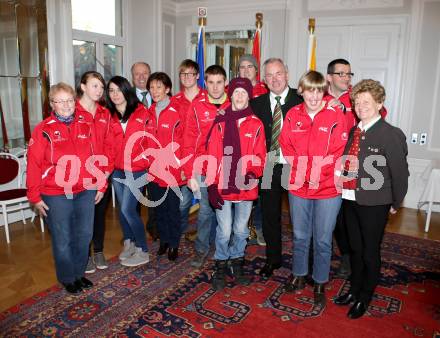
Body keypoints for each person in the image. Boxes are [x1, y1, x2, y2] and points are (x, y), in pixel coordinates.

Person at [334, 79, 408, 319]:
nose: (361, 106)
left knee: (369, 252)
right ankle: (354, 290)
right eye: (357, 102)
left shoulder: (390, 134)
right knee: (355, 249)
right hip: (350, 197)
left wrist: (396, 202)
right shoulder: (356, 131)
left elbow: (400, 173)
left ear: (379, 103)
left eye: (367, 102)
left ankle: (364, 297)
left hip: (375, 202)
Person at [27, 82, 105, 294]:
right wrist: (34, 195)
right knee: (63, 238)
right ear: (52, 104)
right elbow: (33, 164)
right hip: (55, 193)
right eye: (60, 101)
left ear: (75, 101)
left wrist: (101, 182)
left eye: (69, 100)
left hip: (86, 189)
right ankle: (68, 277)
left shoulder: (86, 122)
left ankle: (79, 274)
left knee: (84, 235)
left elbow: (97, 153)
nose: (66, 105)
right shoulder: (43, 130)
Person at [279, 70, 347, 307]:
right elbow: (285, 145)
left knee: (322, 239)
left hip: (328, 188)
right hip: (298, 186)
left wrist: (317, 173)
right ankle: (298, 275)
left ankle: (319, 280)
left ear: (324, 91)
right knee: (299, 235)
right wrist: (301, 169)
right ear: (302, 91)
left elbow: (339, 150)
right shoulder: (292, 115)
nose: (315, 96)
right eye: (310, 90)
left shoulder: (335, 114)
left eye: (319, 90)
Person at [207, 77, 266, 290]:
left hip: (246, 186)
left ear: (248, 96)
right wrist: (212, 185)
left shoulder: (256, 123)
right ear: (230, 95)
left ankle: (237, 261)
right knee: (224, 230)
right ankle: (221, 263)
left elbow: (261, 154)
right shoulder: (220, 122)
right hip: (222, 185)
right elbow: (212, 155)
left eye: (243, 93)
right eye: (236, 93)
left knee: (241, 230)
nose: (240, 96)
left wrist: (254, 172)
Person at [249, 58, 303, 278]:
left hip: (295, 166)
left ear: (287, 74)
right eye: (269, 75)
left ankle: (302, 264)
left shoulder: (302, 101)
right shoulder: (257, 104)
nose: (274, 79)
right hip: (269, 166)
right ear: (264, 80)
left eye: (278, 73)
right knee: (270, 216)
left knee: (299, 218)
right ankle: (273, 259)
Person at [182, 65, 230, 268]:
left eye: (219, 82)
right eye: (211, 82)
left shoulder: (235, 102)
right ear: (205, 82)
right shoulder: (197, 105)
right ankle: (201, 249)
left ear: (225, 82)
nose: (216, 87)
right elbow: (188, 140)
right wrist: (189, 173)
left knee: (227, 213)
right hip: (202, 168)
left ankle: (225, 252)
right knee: (204, 212)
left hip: (228, 169)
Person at [106, 76, 150, 267]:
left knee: (127, 209)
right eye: (111, 91)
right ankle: (128, 242)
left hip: (138, 170)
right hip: (117, 170)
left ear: (126, 90)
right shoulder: (109, 116)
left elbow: (151, 139)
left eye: (118, 89)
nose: (115, 94)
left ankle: (143, 249)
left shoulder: (142, 112)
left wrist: (148, 160)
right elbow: (107, 144)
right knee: (124, 212)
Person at [76, 71, 113, 274]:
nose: (99, 90)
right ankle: (85, 255)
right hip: (79, 178)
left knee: (99, 216)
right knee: (82, 219)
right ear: (83, 87)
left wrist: (104, 175)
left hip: (101, 176)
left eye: (101, 86)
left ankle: (98, 250)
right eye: (94, 86)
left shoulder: (105, 114)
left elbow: (110, 146)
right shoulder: (71, 111)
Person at [145, 72, 185, 261]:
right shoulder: (149, 112)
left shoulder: (178, 110)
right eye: (151, 87)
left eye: (158, 87)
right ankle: (164, 241)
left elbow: (184, 141)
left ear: (167, 89)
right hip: (153, 170)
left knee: (172, 209)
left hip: (172, 171)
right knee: (158, 209)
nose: (155, 91)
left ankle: (174, 243)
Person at [324, 58, 355, 278]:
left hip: (349, 166)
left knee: (347, 217)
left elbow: (376, 116)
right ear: (329, 77)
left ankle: (348, 257)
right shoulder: (318, 97)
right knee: (330, 217)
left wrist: (345, 110)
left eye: (348, 74)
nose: (346, 78)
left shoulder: (357, 97)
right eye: (341, 74)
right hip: (323, 168)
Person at [237, 54, 268, 246]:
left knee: (262, 194)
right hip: (240, 150)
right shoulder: (232, 90)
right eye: (242, 67)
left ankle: (259, 227)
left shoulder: (265, 89)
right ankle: (241, 230)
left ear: (256, 70)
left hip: (261, 149)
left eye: (250, 66)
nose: (246, 70)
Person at [173, 59, 205, 236]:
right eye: (183, 74)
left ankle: (204, 236)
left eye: (190, 74)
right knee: (183, 202)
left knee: (207, 204)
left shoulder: (208, 98)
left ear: (198, 76)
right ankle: (180, 232)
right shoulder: (175, 101)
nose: (186, 77)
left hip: (204, 157)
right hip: (182, 158)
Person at [131, 61, 157, 241]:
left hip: (156, 158)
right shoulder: (125, 99)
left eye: (145, 73)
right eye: (137, 74)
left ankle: (155, 230)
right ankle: (134, 233)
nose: (141, 77)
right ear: (132, 77)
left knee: (155, 198)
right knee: (133, 201)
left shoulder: (161, 95)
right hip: (135, 159)